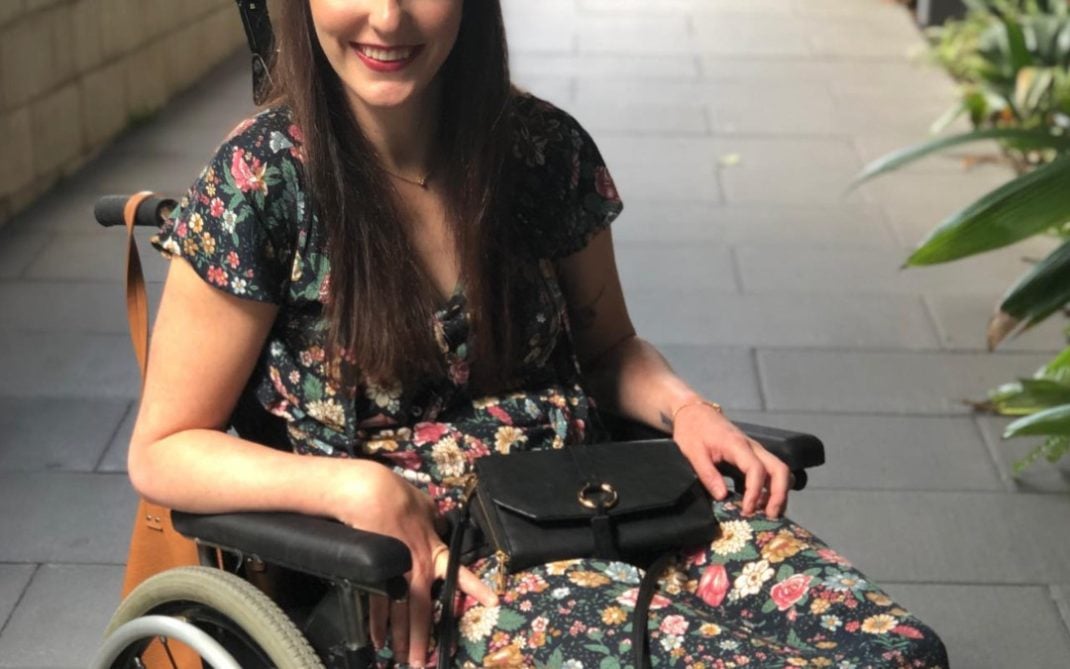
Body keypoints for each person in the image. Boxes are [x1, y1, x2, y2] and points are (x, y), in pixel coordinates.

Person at [130, 1, 949, 667]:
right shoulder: (260, 183)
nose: (387, 17)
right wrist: (352, 488)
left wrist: (689, 409)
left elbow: (610, 351)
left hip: (603, 499)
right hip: (438, 566)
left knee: (899, 651)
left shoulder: (541, 151)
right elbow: (164, 447)